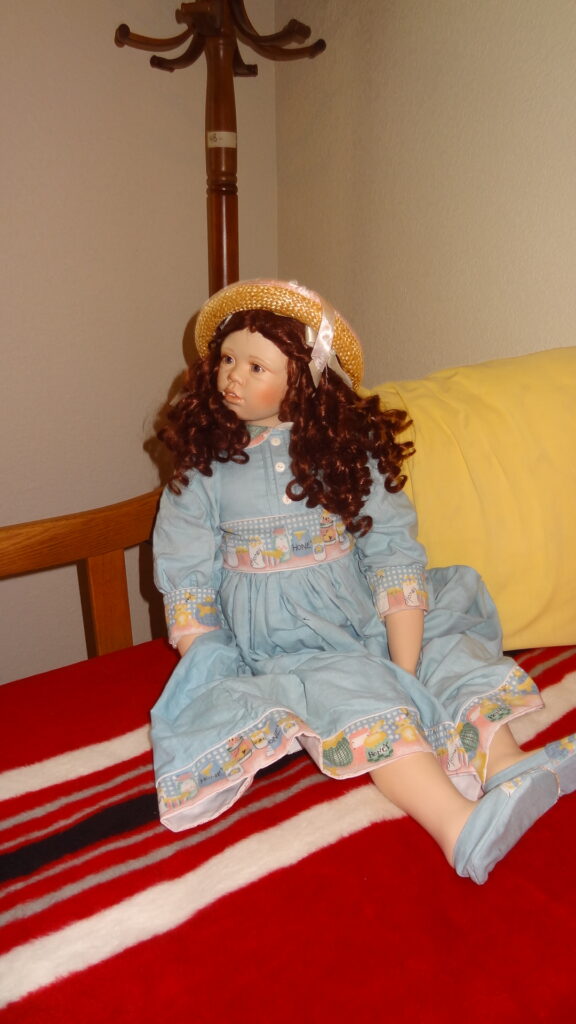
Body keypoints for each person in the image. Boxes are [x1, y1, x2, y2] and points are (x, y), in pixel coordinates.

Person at [151, 278, 576, 883]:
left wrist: (406, 664)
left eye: (255, 366)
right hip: (289, 645)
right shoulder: (204, 469)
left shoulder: (345, 453)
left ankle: (505, 762)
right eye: (226, 360)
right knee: (361, 695)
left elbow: (391, 549)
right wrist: (213, 665)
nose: (232, 378)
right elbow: (187, 575)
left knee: (446, 638)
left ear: (305, 381)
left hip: (365, 614)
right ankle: (457, 824)